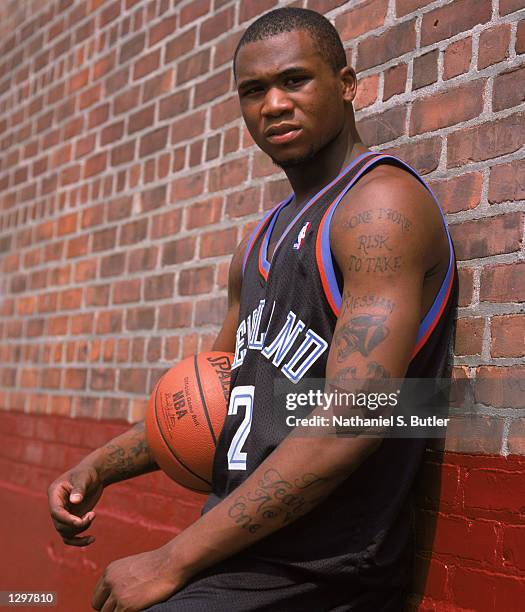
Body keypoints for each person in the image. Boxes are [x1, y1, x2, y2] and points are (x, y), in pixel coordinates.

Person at [47, 8, 458, 611]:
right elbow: (217, 398)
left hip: (325, 570)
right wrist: (98, 467)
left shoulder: (380, 208)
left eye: (295, 80)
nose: (273, 105)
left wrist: (170, 558)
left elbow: (357, 420)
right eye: (253, 90)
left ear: (347, 85)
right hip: (242, 556)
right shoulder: (258, 244)